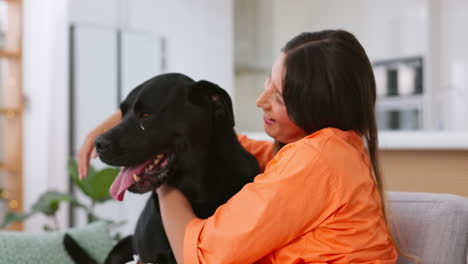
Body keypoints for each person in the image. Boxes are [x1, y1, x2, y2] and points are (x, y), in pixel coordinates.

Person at [79, 30, 400, 264]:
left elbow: (201, 256)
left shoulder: (317, 160)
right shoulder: (322, 153)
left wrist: (159, 181)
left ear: (318, 105)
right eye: (267, 85)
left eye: (279, 97)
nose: (261, 102)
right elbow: (206, 140)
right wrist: (121, 123)